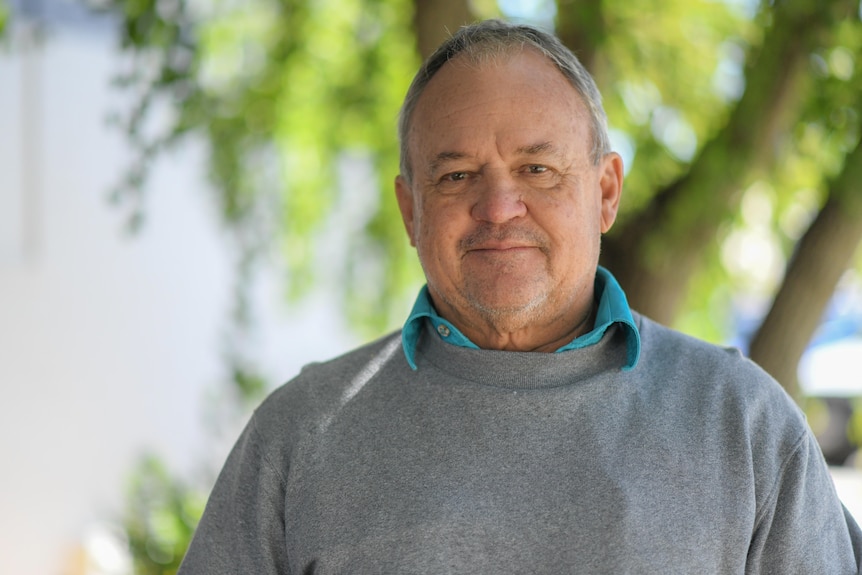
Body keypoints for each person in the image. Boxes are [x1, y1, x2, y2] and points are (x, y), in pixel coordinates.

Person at [178, 20, 862, 574]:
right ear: (409, 208)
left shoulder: (743, 425)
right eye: (456, 175)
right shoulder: (300, 435)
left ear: (605, 192)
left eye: (537, 169)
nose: (500, 206)